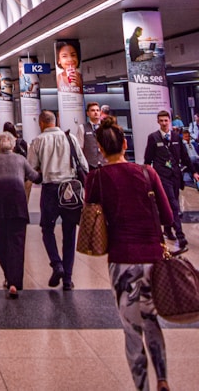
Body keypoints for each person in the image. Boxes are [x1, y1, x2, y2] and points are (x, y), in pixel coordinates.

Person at [85, 118, 173, 391]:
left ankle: (143, 386)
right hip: (154, 257)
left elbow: (90, 215)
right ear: (125, 143)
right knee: (151, 320)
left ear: (100, 148)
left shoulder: (97, 177)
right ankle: (162, 378)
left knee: (131, 329)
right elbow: (168, 216)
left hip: (122, 259)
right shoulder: (148, 173)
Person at [28, 109, 88, 290]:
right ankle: (68, 279)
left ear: (41, 123)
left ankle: (57, 264)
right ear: (56, 121)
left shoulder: (38, 141)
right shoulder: (71, 139)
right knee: (69, 234)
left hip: (50, 190)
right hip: (70, 190)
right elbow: (83, 165)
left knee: (47, 229)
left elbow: (31, 169)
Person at [0, 130, 41, 298]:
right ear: (13, 145)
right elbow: (35, 177)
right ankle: (15, 281)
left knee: (0, 242)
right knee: (17, 242)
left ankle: (8, 276)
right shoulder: (21, 160)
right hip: (18, 205)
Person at [143, 109, 199, 252]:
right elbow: (148, 158)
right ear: (158, 122)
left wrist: (194, 172)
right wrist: (147, 176)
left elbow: (185, 156)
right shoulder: (153, 138)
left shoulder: (176, 137)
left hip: (175, 175)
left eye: (166, 120)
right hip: (162, 176)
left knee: (170, 202)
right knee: (174, 205)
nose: (163, 123)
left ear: (169, 121)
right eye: (161, 121)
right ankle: (181, 236)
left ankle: (167, 229)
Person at [76, 101, 105, 171]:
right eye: (93, 110)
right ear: (88, 113)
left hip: (105, 164)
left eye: (97, 110)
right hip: (89, 165)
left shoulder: (106, 127)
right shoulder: (82, 127)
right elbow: (80, 148)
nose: (96, 112)